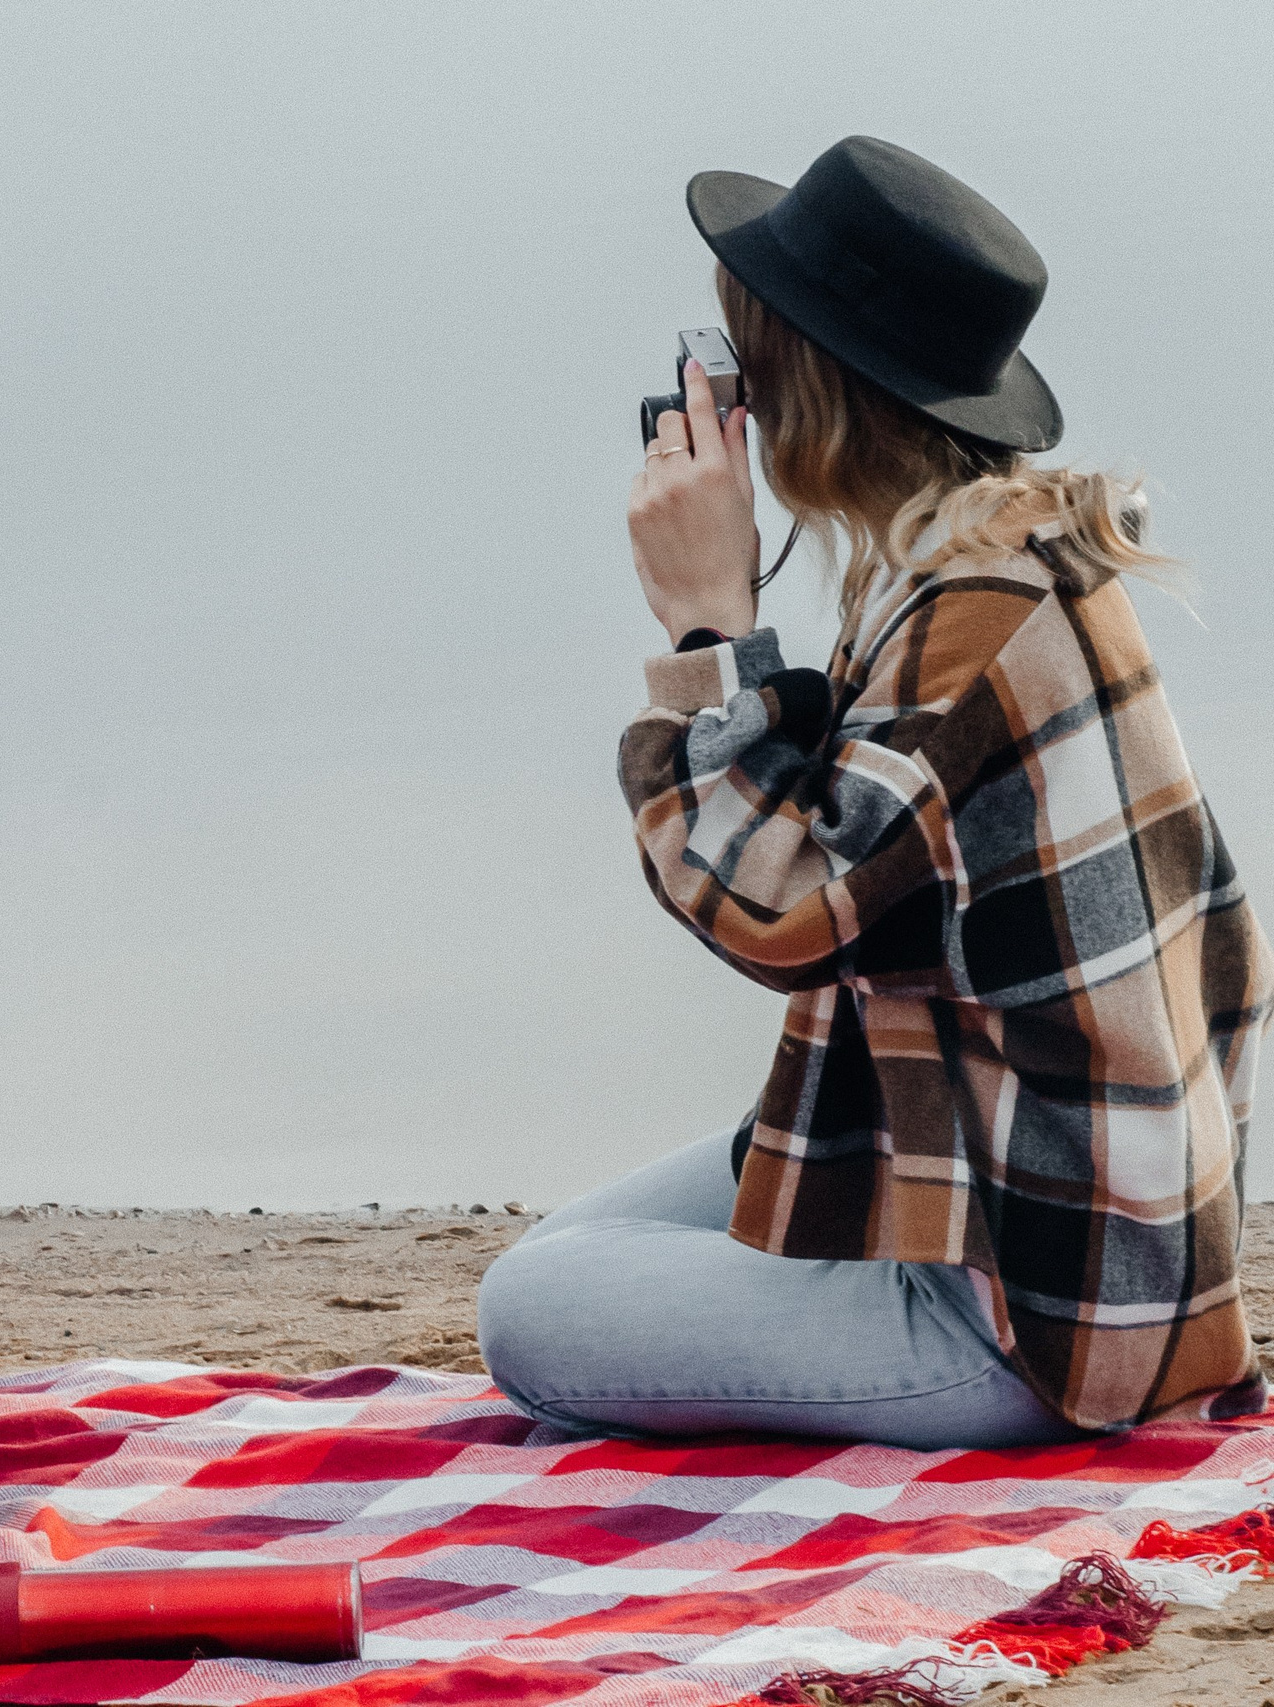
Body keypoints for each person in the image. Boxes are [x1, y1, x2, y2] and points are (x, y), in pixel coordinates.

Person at [477, 137, 1271, 1447]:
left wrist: (705, 633)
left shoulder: (972, 617)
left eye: (738, 361)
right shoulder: (999, 554)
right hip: (1052, 1214)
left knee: (531, 1307)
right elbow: (859, 856)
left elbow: (782, 913)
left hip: (1026, 1319)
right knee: (582, 1244)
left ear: (799, 387)